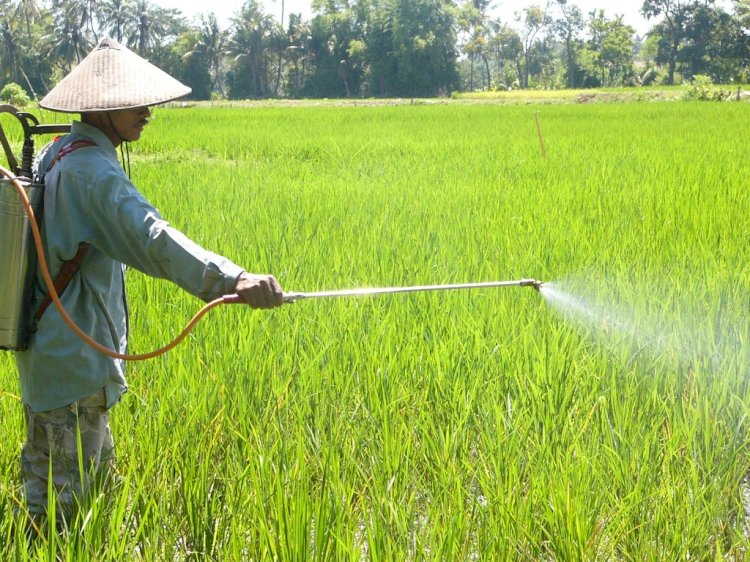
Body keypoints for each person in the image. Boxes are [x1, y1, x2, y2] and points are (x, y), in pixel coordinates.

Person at [14, 38, 284, 529]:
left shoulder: (60, 151)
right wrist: (233, 279)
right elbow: (153, 239)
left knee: (72, 496)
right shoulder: (90, 172)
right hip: (72, 365)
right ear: (103, 108)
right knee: (62, 514)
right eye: (135, 102)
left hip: (58, 355)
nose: (148, 112)